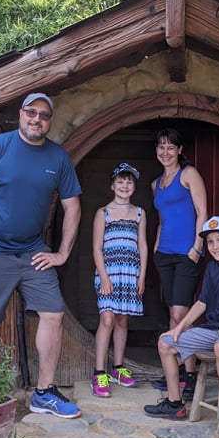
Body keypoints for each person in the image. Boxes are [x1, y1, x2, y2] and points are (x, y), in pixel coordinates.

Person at [0, 92, 83, 419]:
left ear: (50, 120)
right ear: (21, 115)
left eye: (44, 115)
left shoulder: (57, 158)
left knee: (53, 313)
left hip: (32, 251)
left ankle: (44, 393)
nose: (36, 119)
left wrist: (62, 253)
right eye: (31, 112)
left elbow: (73, 207)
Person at [144, 215, 219, 438]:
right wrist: (180, 327)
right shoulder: (212, 269)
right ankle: (175, 404)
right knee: (165, 342)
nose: (215, 246)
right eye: (210, 242)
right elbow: (202, 303)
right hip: (214, 328)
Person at [150, 128, 207, 400]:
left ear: (180, 150)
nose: (165, 151)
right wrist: (155, 249)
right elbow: (162, 219)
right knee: (173, 312)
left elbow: (202, 213)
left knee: (180, 315)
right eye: (161, 146)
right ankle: (182, 371)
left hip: (187, 254)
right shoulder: (156, 184)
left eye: (171, 147)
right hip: (165, 254)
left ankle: (190, 374)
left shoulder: (189, 175)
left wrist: (197, 247)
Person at [90, 162, 148, 397]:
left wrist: (142, 276)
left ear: (134, 186)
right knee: (107, 320)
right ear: (112, 185)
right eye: (121, 181)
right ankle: (99, 372)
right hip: (109, 275)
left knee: (122, 321)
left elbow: (142, 245)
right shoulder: (103, 213)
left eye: (129, 181)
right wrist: (103, 277)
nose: (125, 185)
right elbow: (96, 248)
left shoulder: (140, 213)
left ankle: (118, 368)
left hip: (130, 276)